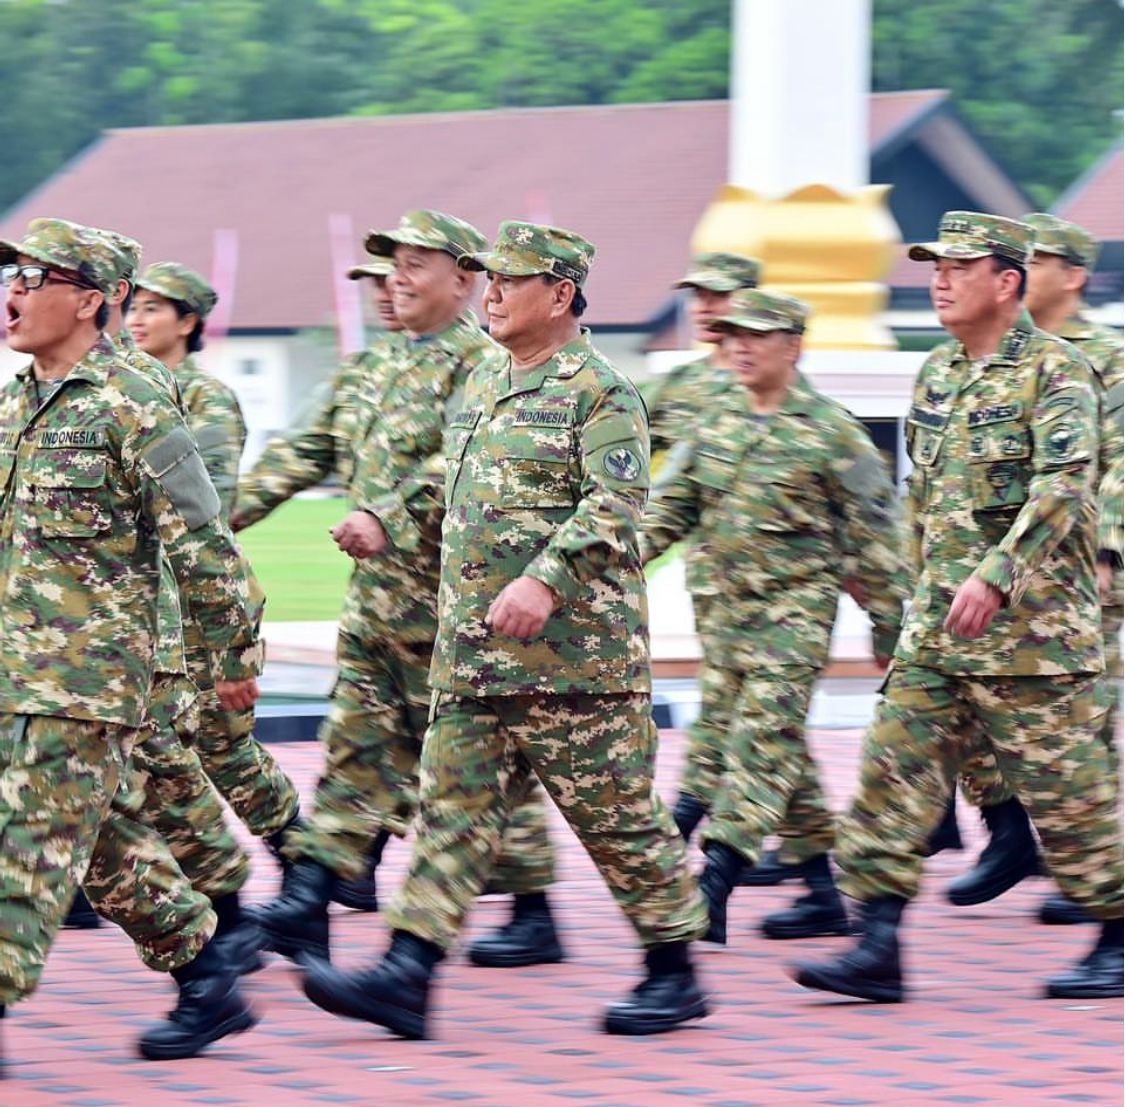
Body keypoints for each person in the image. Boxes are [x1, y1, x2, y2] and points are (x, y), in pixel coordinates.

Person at [299, 220, 710, 1040]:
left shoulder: (600, 391)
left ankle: (675, 971)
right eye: (486, 279)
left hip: (574, 667)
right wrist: (385, 515)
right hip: (475, 656)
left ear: (558, 295)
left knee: (617, 819)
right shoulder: (484, 387)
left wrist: (543, 579)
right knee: (449, 812)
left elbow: (616, 506)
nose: (489, 293)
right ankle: (406, 973)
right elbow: (446, 490)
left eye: (508, 281)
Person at [792, 211, 1123, 1004]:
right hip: (937, 629)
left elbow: (1062, 489)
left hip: (1031, 633)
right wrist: (904, 600)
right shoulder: (936, 370)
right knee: (889, 773)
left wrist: (998, 575)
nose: (937, 279)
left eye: (957, 267)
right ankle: (876, 942)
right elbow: (924, 502)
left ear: (1006, 283)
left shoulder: (1057, 372)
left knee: (1067, 792)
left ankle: (1116, 934)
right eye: (934, 266)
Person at [239, 211, 561, 965]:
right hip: (378, 605)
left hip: (454, 606)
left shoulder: (483, 368)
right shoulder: (370, 368)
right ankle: (309, 897)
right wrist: (208, 522)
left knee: (474, 770)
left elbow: (457, 463)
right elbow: (300, 452)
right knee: (354, 746)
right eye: (392, 262)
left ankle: (535, 905)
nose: (399, 276)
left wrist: (384, 513)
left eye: (418, 261)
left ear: (464, 278)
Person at [0, 217, 264, 1058]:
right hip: (15, 669)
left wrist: (234, 661)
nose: (12, 295)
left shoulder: (135, 402)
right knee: (104, 838)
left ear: (90, 299)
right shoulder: (17, 401)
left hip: (85, 682)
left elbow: (202, 539)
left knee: (26, 850)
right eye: (13, 279)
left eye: (33, 280)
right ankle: (206, 970)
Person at [642, 288, 906, 944]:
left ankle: (716, 879)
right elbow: (670, 508)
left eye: (755, 335)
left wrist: (888, 628)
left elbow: (875, 541)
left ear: (792, 345)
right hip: (726, 618)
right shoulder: (715, 420)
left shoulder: (831, 431)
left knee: (760, 742)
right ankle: (819, 887)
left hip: (794, 614)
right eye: (730, 334)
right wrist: (606, 565)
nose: (739, 345)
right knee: (776, 745)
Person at [946, 214, 1124, 926]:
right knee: (964, 707)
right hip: (993, 562)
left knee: (1080, 724)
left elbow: (1111, 464)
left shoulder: (1103, 359)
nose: (1027, 267)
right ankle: (1011, 831)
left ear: (1071, 275)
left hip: (1075, 568)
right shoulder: (985, 354)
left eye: (1042, 259)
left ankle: (1093, 873)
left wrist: (1108, 550)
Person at [128, 262, 303, 877]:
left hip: (195, 605)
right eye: (135, 306)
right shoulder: (125, 389)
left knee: (222, 748)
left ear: (188, 322)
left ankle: (302, 858)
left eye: (155, 308)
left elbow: (209, 502)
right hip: (143, 604)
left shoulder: (205, 399)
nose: (138, 319)